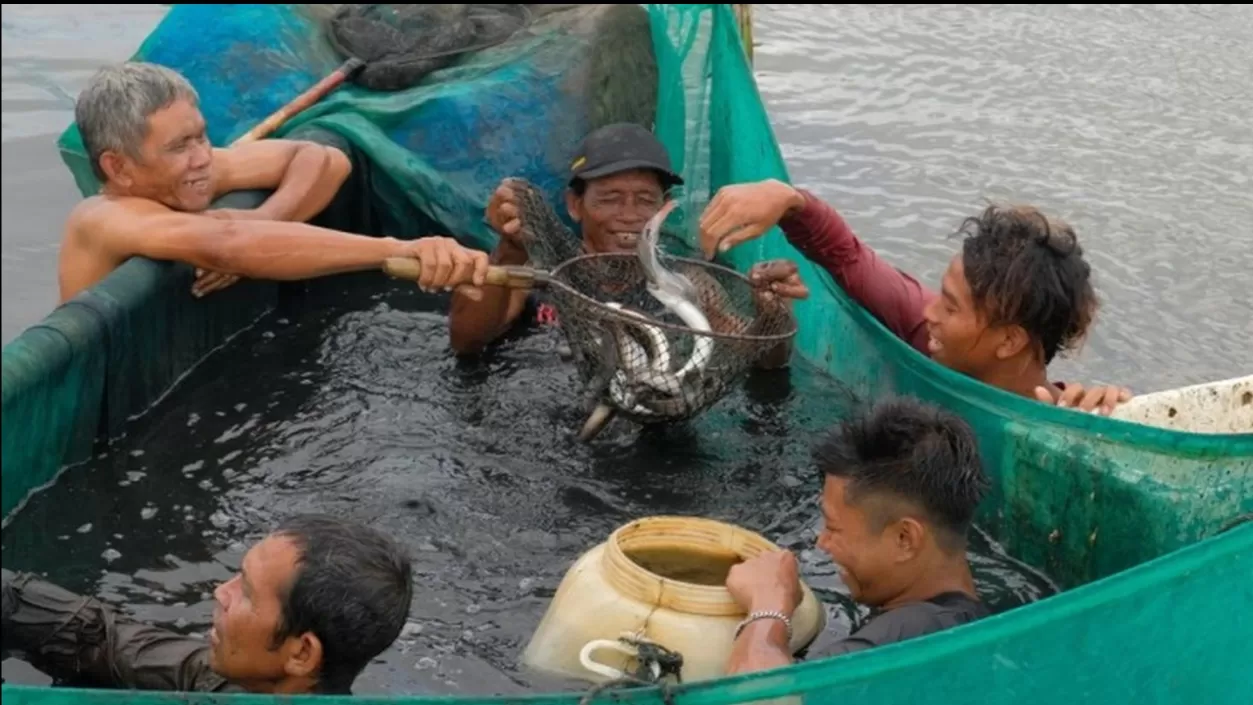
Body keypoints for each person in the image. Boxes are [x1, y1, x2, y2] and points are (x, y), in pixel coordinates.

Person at [59, 61, 489, 303]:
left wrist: (267, 217)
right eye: (179, 147)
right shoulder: (105, 219)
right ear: (118, 168)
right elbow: (225, 243)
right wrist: (397, 249)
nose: (202, 157)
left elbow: (323, 159)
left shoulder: (199, 171)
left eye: (202, 135)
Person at [698, 180, 1134, 415]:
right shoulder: (934, 341)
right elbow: (848, 258)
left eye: (950, 305)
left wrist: (1117, 423)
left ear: (1009, 341)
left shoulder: (1072, 419)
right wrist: (788, 199)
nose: (929, 311)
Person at [448, 122, 811, 367]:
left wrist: (771, 311)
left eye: (645, 199)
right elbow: (467, 342)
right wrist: (511, 244)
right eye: (609, 198)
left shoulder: (689, 283)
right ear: (575, 205)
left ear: (664, 207)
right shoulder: (536, 272)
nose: (629, 214)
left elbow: (764, 361)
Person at [1, 514, 413, 695]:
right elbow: (104, 639)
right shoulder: (234, 681)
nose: (220, 592)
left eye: (247, 593)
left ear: (301, 653)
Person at [724, 396, 991, 674]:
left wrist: (768, 605)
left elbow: (760, 698)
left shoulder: (901, 641)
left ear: (905, 539)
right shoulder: (966, 623)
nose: (822, 543)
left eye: (833, 528)